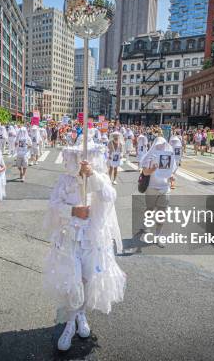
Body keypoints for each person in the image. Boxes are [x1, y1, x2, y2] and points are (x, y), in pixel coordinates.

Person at [42, 137, 125, 352]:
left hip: (93, 240)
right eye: (77, 158)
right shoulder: (65, 181)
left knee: (87, 279)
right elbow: (53, 205)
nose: (80, 162)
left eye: (84, 159)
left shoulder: (100, 178)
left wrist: (93, 177)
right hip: (69, 238)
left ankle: (82, 315)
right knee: (72, 278)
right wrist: (72, 211)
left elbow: (109, 196)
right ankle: (69, 323)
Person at [139, 136, 175, 247]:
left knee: (161, 213)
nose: (162, 147)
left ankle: (158, 236)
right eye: (159, 145)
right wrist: (152, 169)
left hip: (164, 188)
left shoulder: (169, 155)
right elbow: (145, 173)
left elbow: (171, 171)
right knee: (149, 209)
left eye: (163, 145)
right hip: (151, 188)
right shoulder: (149, 156)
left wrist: (172, 177)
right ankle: (147, 225)